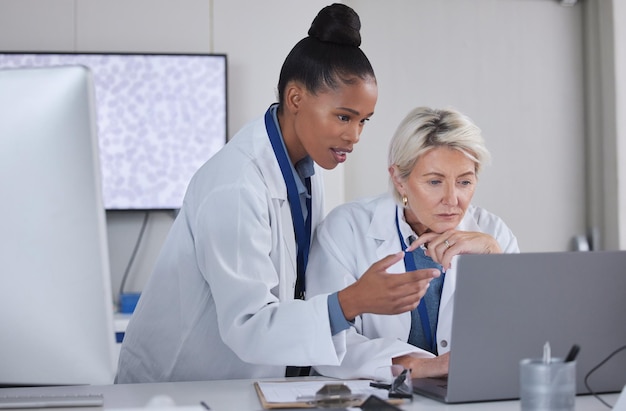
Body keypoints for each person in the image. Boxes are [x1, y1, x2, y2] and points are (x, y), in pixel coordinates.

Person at [116, 4, 439, 383]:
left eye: (363, 121)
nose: (355, 136)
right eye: (343, 117)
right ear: (296, 98)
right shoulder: (236, 184)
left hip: (247, 384)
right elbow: (249, 323)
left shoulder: (304, 171)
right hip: (175, 386)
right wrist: (354, 301)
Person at [306, 106, 520, 380]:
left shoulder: (493, 235)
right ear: (399, 180)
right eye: (434, 181)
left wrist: (496, 262)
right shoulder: (348, 228)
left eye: (465, 182)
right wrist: (416, 366)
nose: (452, 199)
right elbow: (325, 337)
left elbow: (520, 338)